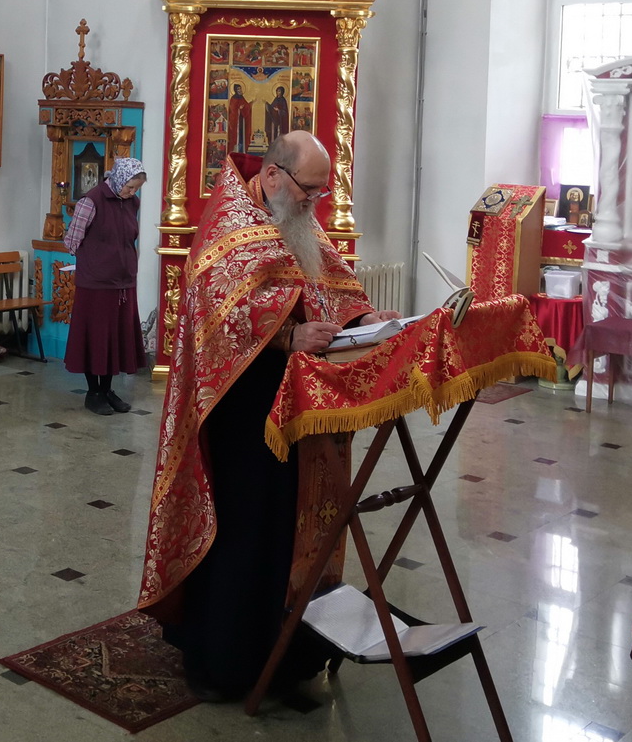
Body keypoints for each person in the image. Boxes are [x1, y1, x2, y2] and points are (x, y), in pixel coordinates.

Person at [136, 131, 401, 701]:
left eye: (322, 193)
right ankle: (225, 662)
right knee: (245, 530)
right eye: (310, 190)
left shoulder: (294, 215)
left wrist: (364, 319)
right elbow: (216, 312)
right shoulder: (229, 223)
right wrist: (286, 337)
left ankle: (286, 655)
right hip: (240, 411)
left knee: (290, 529)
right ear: (275, 174)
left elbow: (331, 282)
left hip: (297, 411)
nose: (315, 204)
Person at [63, 157, 148, 415]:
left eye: (136, 189)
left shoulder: (131, 202)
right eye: (130, 187)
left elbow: (129, 238)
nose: (132, 193)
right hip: (96, 283)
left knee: (114, 338)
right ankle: (94, 393)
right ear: (119, 179)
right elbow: (71, 240)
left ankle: (107, 390)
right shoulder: (91, 201)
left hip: (123, 281)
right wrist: (97, 260)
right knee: (95, 338)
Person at [227, 83, 250, 153]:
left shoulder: (242, 97)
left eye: (240, 88)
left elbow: (246, 106)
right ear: (235, 90)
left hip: (242, 121)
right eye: (238, 89)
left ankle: (241, 150)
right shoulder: (233, 99)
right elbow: (232, 109)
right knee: (236, 136)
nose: (240, 90)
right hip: (236, 121)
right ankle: (235, 151)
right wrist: (239, 109)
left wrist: (249, 105)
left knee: (242, 136)